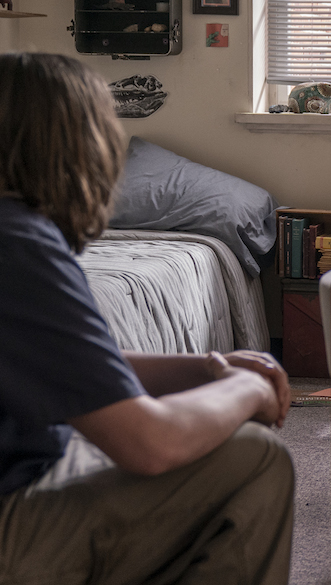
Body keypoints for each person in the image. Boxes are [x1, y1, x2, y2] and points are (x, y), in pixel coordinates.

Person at [0, 52, 295, 583]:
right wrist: (249, 390)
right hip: (11, 520)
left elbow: (70, 364)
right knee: (255, 454)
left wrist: (207, 367)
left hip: (23, 466)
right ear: (76, 147)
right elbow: (149, 444)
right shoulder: (19, 246)